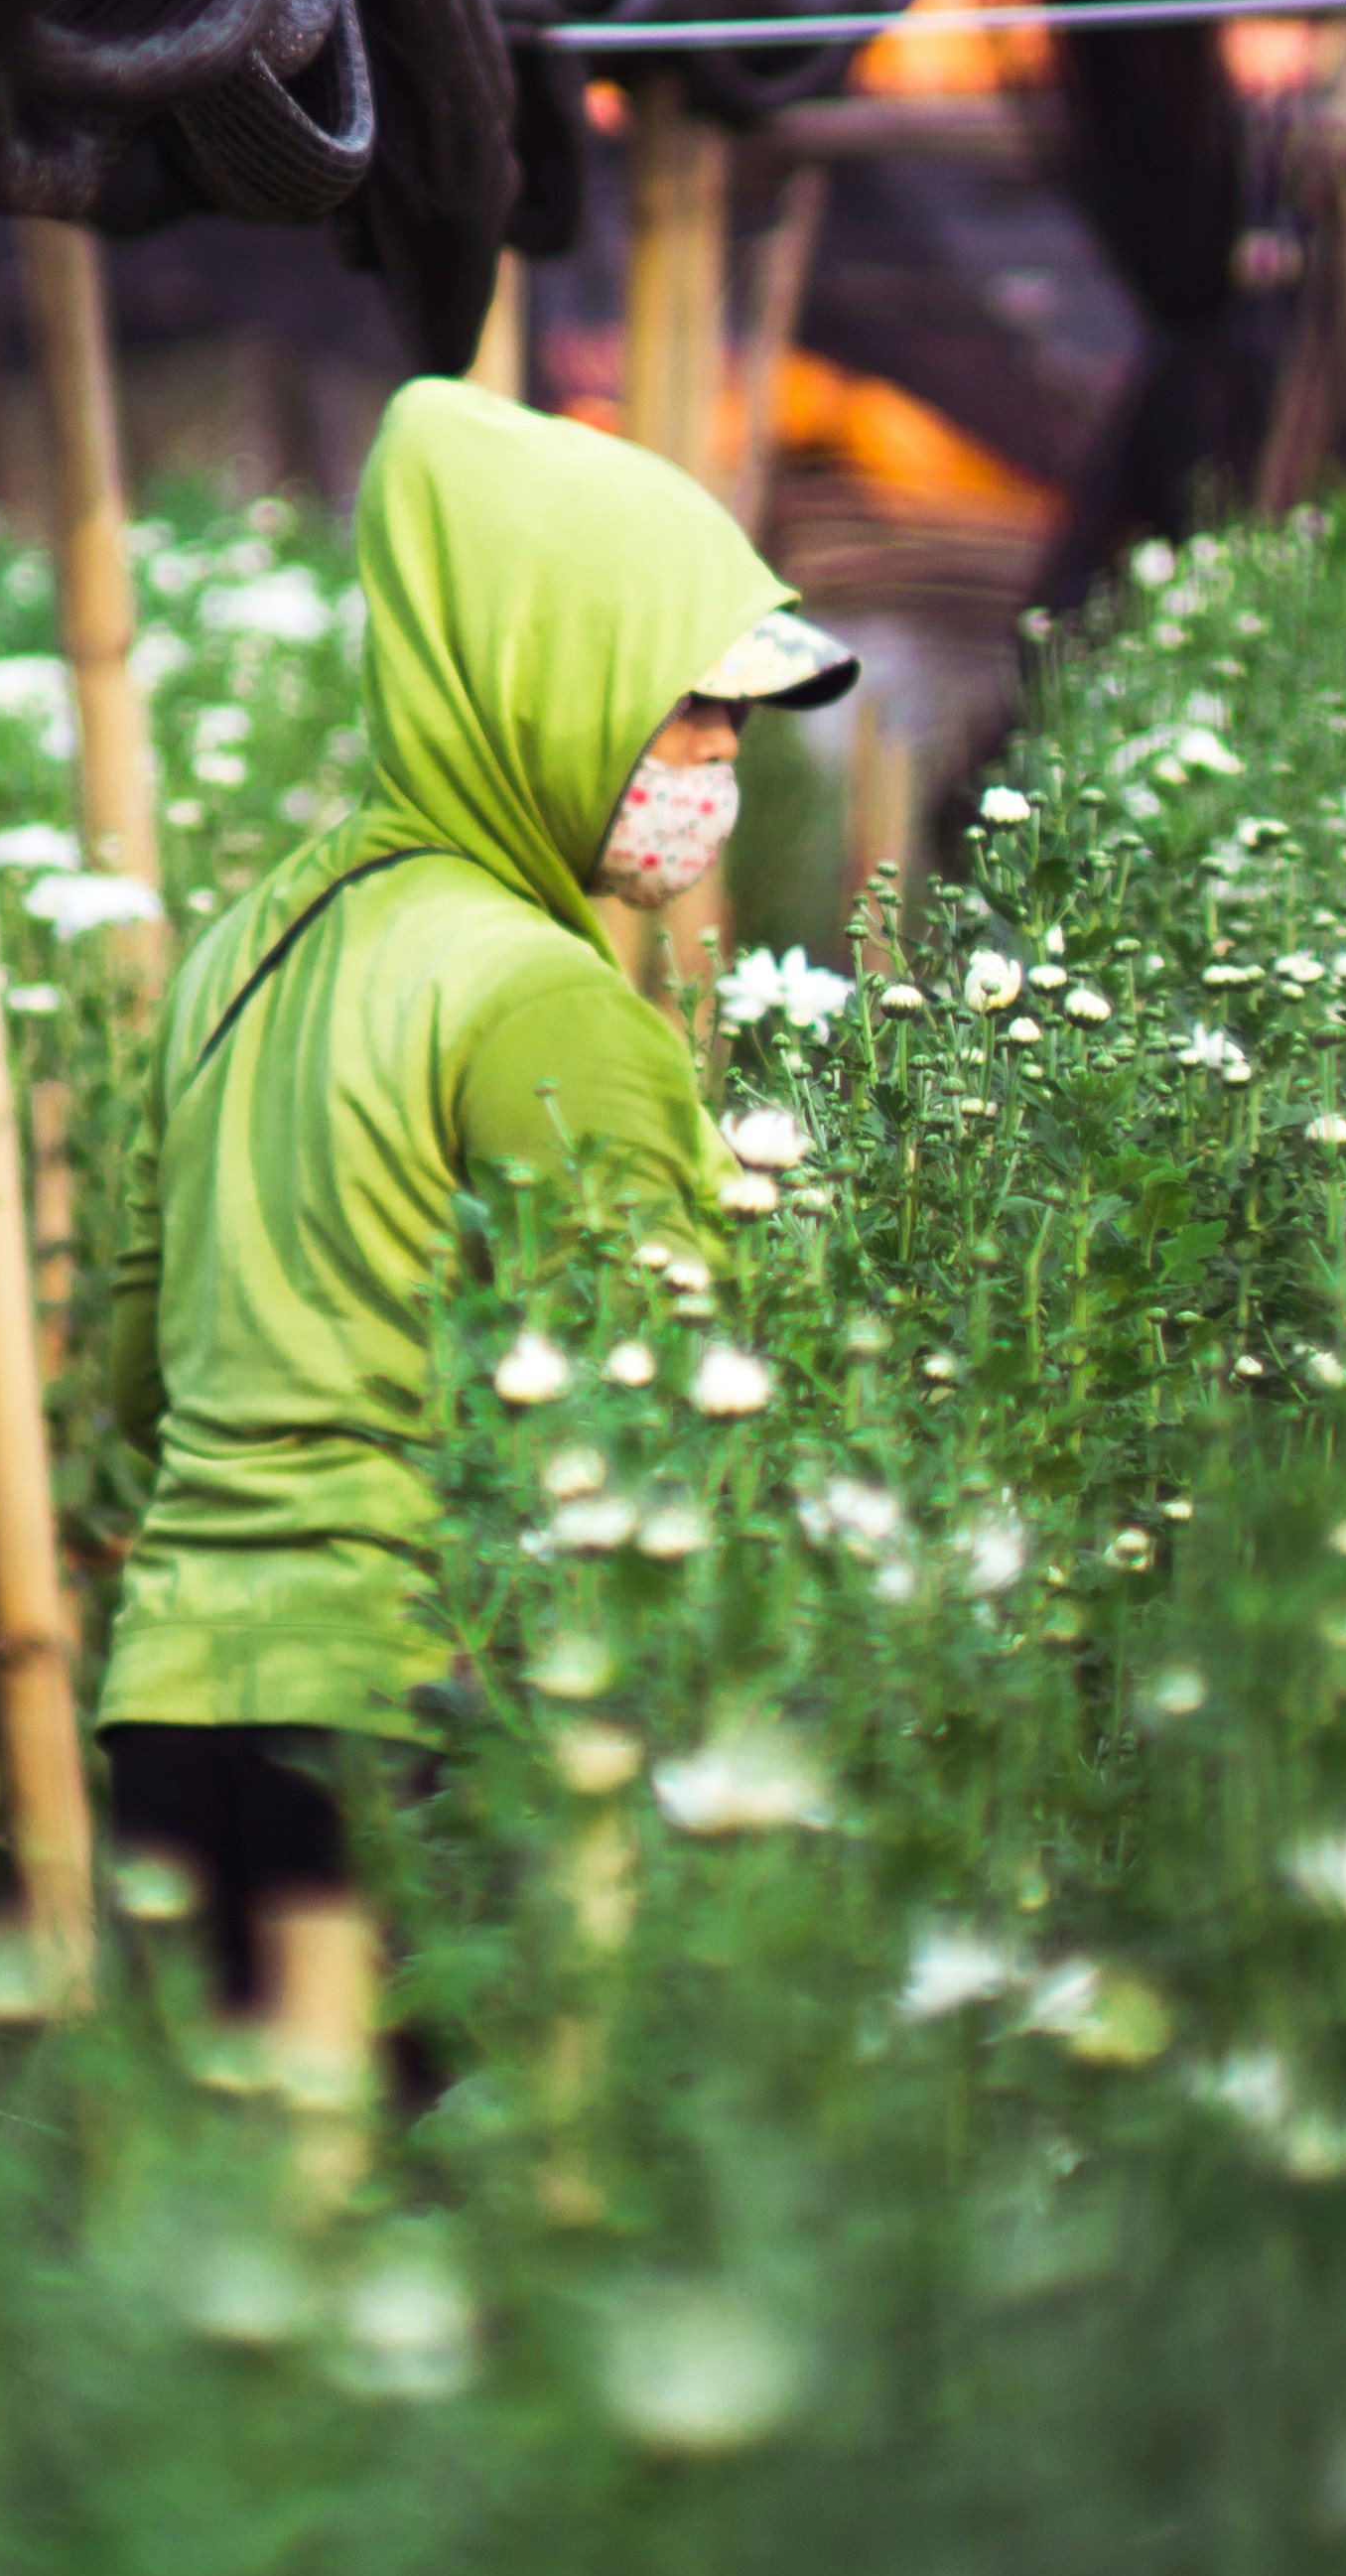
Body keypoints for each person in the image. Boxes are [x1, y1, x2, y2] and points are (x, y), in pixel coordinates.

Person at [91, 377, 855, 2050]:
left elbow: (143, 1385)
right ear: (539, 682)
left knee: (221, 2192)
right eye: (687, 707)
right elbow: (654, 1414)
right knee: (446, 2188)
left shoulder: (236, 953)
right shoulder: (540, 1000)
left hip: (172, 1723)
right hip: (418, 1719)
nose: (722, 756)